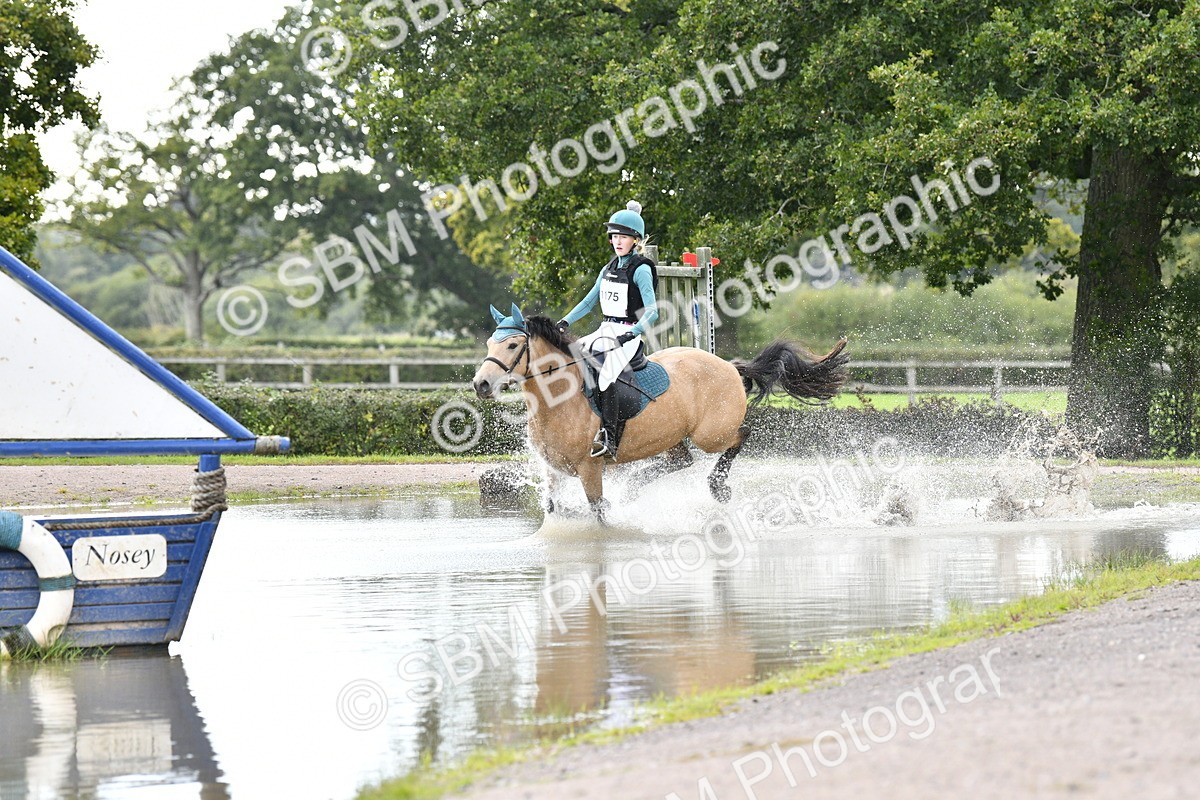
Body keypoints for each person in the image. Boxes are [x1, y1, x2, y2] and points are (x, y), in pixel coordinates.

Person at [558, 200, 659, 459]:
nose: (617, 241)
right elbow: (589, 301)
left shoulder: (641, 269)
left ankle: (609, 439)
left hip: (628, 334)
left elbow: (653, 312)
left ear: (635, 240)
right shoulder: (609, 267)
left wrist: (632, 333)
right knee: (571, 357)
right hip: (605, 329)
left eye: (623, 237)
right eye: (614, 236)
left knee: (605, 376)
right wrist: (566, 321)